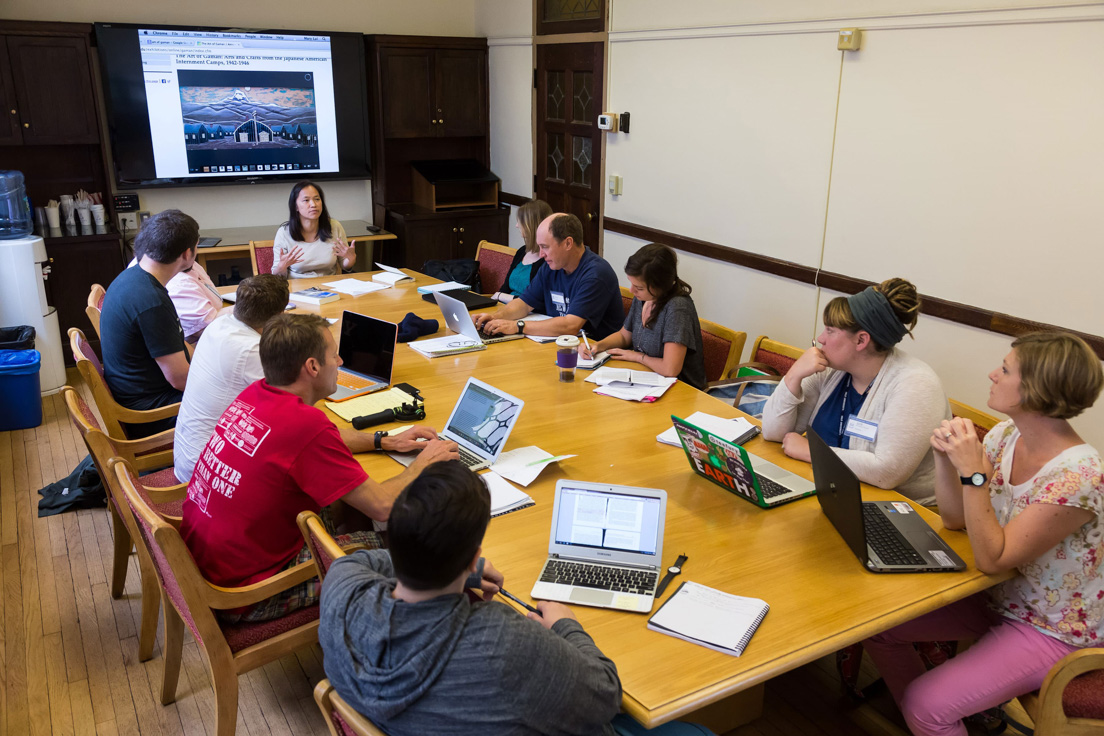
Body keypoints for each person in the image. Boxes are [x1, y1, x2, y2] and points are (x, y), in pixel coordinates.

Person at [320, 460, 715, 736]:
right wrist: (564, 623)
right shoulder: (502, 645)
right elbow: (605, 695)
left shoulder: (342, 588)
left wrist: (460, 567)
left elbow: (371, 561)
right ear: (475, 556)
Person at [863, 331, 1104, 736]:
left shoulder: (1080, 477)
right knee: (880, 627)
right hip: (998, 597)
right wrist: (945, 460)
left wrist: (973, 475)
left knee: (927, 707)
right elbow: (956, 520)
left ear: (1037, 389)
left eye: (1006, 370)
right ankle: (928, 719)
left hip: (1054, 627)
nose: (993, 374)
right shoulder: (1006, 435)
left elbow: (992, 558)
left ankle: (928, 716)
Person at [180, 313, 458, 622]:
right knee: (414, 545)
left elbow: (319, 439)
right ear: (312, 367)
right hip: (246, 593)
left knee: (350, 501)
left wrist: (385, 441)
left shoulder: (257, 393)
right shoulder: (306, 425)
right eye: (333, 355)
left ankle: (355, 612)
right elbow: (384, 507)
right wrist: (423, 464)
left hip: (208, 561)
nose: (339, 361)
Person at [760, 278, 949, 504]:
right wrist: (793, 375)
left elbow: (886, 473)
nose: (820, 339)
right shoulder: (829, 369)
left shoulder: (916, 385)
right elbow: (773, 433)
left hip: (905, 511)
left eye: (830, 331)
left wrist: (810, 451)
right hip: (837, 493)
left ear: (861, 340)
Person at [173, 274, 288, 483]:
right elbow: (290, 403)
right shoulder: (252, 350)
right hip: (207, 473)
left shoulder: (220, 324)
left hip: (188, 454)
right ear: (280, 315)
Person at [100, 209, 196, 435]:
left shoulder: (132, 276)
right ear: (186, 253)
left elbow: (179, 348)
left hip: (136, 394)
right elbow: (181, 380)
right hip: (151, 412)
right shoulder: (152, 302)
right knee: (244, 400)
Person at [473, 213, 623, 339]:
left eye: (545, 246)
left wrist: (517, 326)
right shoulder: (551, 266)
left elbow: (570, 325)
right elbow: (524, 303)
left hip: (594, 352)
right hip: (559, 344)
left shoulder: (596, 274)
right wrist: (497, 317)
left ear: (568, 243)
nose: (541, 254)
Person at [579, 243, 707, 390]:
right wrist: (597, 346)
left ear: (660, 286)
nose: (631, 290)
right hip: (646, 380)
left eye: (639, 287)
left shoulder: (677, 308)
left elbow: (670, 369)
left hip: (680, 390)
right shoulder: (644, 297)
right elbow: (624, 336)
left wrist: (636, 357)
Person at [127, 246, 225, 344]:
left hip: (189, 345)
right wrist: (239, 308)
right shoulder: (178, 283)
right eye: (196, 245)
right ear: (186, 253)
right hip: (201, 342)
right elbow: (206, 327)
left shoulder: (156, 261)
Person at [273, 180, 355, 277]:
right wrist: (282, 266)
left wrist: (351, 258)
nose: (313, 205)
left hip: (329, 287)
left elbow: (344, 265)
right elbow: (276, 276)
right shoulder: (284, 233)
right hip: (297, 288)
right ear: (295, 206)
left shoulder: (334, 226)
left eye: (317, 199)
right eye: (306, 200)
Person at [491, 198, 552, 303]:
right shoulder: (522, 251)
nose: (517, 225)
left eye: (521, 221)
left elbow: (539, 301)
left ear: (531, 225)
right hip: (507, 307)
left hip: (529, 312)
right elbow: (505, 287)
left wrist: (502, 296)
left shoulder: (548, 259)